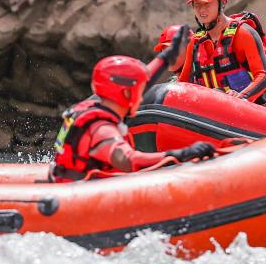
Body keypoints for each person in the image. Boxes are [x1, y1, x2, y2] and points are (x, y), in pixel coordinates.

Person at [50, 27, 216, 182]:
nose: (142, 96)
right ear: (125, 93)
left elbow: (145, 79)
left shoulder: (95, 108)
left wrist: (166, 58)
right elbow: (128, 160)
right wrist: (182, 154)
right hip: (81, 200)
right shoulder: (102, 129)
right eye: (137, 91)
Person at [174, 0, 266, 107]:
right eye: (197, 4)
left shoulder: (243, 33)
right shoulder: (195, 42)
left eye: (207, 3)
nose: (201, 10)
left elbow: (263, 76)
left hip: (250, 108)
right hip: (210, 110)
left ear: (223, 3)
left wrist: (241, 97)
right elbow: (184, 82)